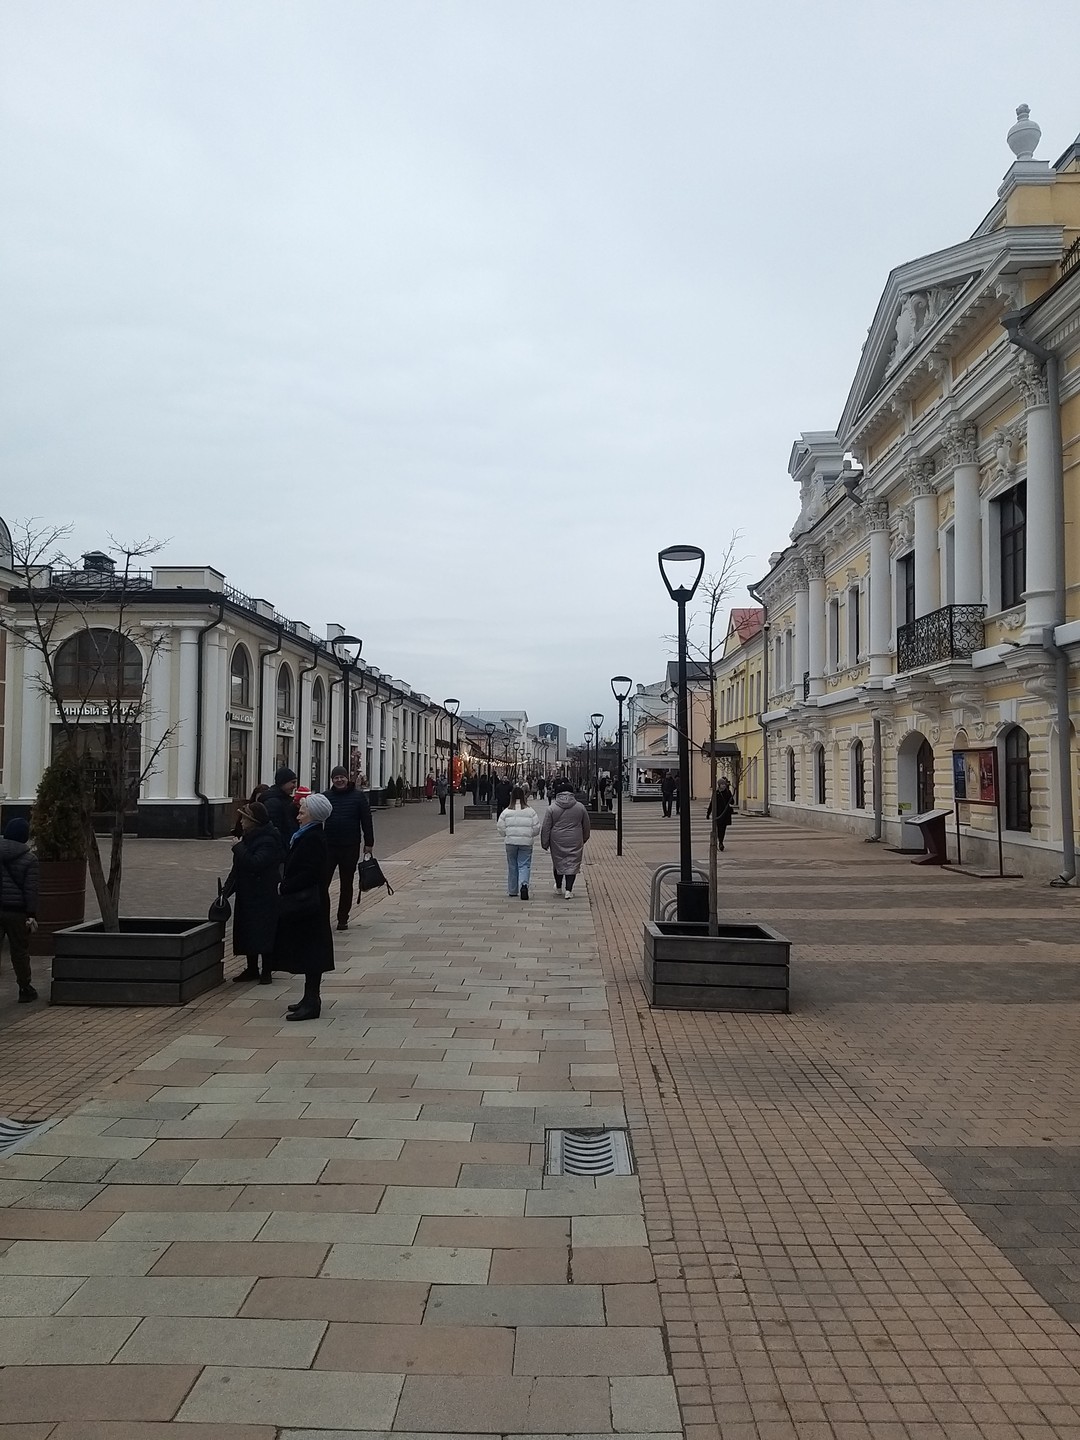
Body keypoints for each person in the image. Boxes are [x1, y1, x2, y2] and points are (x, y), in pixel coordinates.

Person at [273, 792, 335, 1021]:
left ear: (314, 815)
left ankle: (312, 1002)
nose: (298, 815)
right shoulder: (306, 835)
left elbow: (310, 873)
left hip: (310, 903)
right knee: (309, 950)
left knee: (312, 952)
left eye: (302, 811)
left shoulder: (312, 838)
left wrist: (284, 886)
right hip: (310, 901)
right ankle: (309, 997)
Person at [222, 801, 286, 983]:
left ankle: (266, 971)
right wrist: (225, 891)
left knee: (264, 931)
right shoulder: (249, 837)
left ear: (253, 821)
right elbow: (238, 868)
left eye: (244, 818)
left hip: (264, 893)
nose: (241, 822)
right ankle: (251, 968)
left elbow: (255, 863)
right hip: (248, 891)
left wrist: (238, 848)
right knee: (248, 930)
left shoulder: (268, 839)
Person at [323, 765, 375, 931]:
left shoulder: (358, 797)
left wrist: (369, 843)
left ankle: (342, 918)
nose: (339, 780)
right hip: (329, 846)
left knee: (347, 883)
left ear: (347, 778)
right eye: (336, 778)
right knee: (322, 883)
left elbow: (366, 820)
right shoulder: (326, 797)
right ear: (332, 780)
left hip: (350, 846)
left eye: (341, 777)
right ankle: (323, 917)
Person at [0, 818, 39, 1002]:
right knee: (19, 951)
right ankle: (25, 988)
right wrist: (31, 915)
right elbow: (30, 889)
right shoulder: (30, 859)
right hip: (16, 911)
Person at [540, 783, 591, 898]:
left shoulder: (552, 808)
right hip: (575, 838)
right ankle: (569, 890)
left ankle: (558, 887)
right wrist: (584, 838)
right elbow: (586, 825)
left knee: (558, 863)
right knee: (572, 863)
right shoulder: (580, 807)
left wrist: (545, 843)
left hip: (557, 839)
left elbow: (546, 827)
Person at [497, 785, 541, 900]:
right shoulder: (530, 811)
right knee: (524, 864)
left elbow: (500, 827)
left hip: (510, 842)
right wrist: (530, 834)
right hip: (526, 842)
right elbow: (536, 828)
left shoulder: (506, 812)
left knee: (512, 865)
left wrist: (506, 834)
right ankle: (524, 884)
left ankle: (512, 890)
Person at [263, 767, 299, 846]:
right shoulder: (273, 803)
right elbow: (275, 829)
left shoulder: (286, 800)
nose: (295, 786)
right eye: (293, 782)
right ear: (283, 782)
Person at [707, 776, 735, 851]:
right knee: (719, 828)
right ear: (719, 785)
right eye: (722, 784)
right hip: (718, 814)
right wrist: (708, 813)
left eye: (724, 784)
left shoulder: (728, 792)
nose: (724, 785)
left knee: (723, 829)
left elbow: (732, 802)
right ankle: (720, 842)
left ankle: (721, 841)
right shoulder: (716, 793)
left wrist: (730, 795)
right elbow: (711, 804)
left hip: (725, 814)